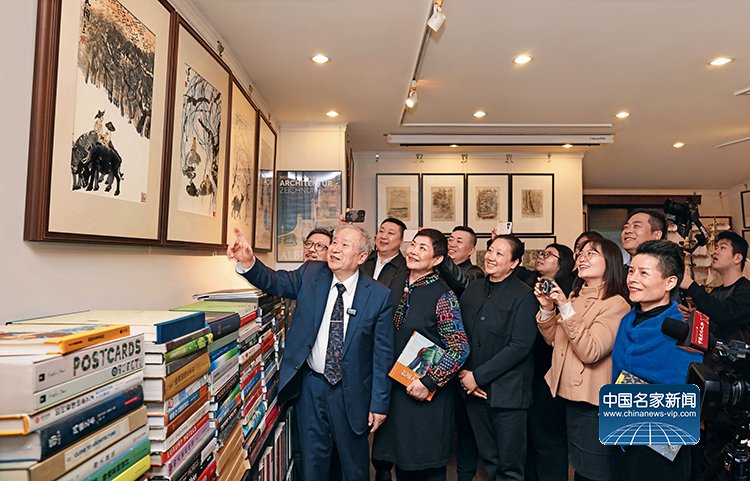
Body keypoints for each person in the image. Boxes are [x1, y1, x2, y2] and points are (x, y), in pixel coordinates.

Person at [227, 226, 394, 481]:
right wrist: (248, 261)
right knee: (312, 465)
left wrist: (379, 404)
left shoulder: (379, 295)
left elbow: (383, 355)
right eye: (334, 242)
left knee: (354, 468)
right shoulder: (311, 273)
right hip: (312, 387)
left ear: (361, 257)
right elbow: (274, 281)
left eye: (344, 245)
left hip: (351, 392)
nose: (335, 249)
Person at [372, 228, 470, 481]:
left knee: (424, 468)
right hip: (394, 391)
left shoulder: (444, 296)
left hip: (424, 396)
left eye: (422, 248)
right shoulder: (396, 284)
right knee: (399, 464)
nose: (413, 251)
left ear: (437, 259)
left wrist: (428, 382)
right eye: (413, 244)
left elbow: (459, 348)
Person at [536, 238, 630, 481]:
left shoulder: (616, 304)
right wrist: (547, 308)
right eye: (581, 254)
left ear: (610, 262)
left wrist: (565, 307)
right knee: (579, 466)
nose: (583, 257)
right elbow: (556, 341)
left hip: (592, 401)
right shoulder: (575, 296)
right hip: (568, 394)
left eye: (592, 253)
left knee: (594, 470)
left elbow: (591, 351)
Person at [611, 240, 703, 481]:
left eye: (643, 273)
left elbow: (685, 394)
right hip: (622, 430)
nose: (632, 279)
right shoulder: (627, 320)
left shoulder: (683, 329)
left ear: (670, 282)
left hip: (663, 443)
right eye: (631, 271)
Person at [457, 235, 538, 481]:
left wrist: (478, 377)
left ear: (514, 263)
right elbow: (459, 333)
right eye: (490, 250)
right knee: (489, 459)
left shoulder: (523, 295)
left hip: (507, 394)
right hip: (472, 390)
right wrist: (464, 373)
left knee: (509, 465)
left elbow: (519, 346)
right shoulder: (473, 289)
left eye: (500, 253)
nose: (491, 257)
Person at [678, 230, 750, 479]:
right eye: (715, 247)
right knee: (711, 452)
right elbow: (710, 332)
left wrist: (691, 285)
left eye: (722, 247)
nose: (714, 252)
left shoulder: (746, 291)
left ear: (738, 257)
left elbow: (726, 315)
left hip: (737, 387)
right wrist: (693, 319)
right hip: (713, 383)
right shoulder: (715, 294)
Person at [525, 243, 576, 481]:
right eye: (542, 253)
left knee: (549, 438)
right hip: (527, 367)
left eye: (549, 254)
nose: (542, 257)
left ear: (562, 262)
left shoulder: (568, 293)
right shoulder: (528, 285)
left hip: (552, 369)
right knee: (529, 436)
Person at [444, 225, 484, 481]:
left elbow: (462, 284)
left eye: (459, 241)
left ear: (471, 249)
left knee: (466, 424)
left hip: (462, 357)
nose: (452, 243)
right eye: (450, 239)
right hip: (437, 354)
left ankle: (465, 475)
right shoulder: (435, 270)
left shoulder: (475, 273)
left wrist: (441, 258)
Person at [362, 217, 409, 292]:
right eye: (381, 231)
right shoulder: (363, 257)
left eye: (390, 233)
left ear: (401, 240)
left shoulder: (405, 267)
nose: (383, 236)